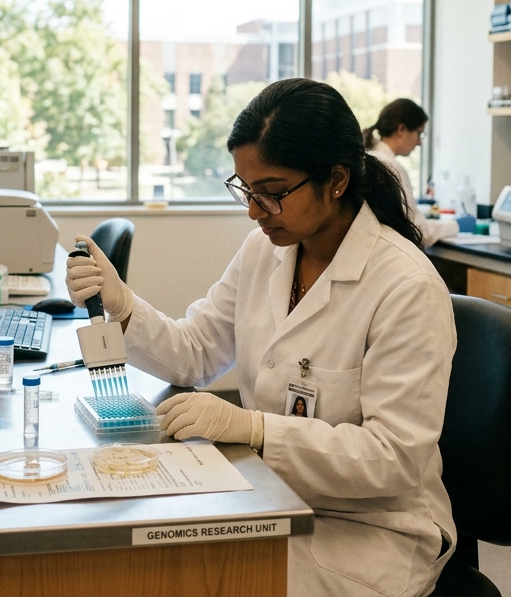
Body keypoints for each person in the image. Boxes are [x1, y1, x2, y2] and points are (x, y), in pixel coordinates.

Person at [68, 79, 457, 597]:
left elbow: (392, 461)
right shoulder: (264, 251)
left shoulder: (405, 286)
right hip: (272, 499)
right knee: (140, 553)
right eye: (246, 190)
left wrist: (254, 429)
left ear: (336, 180)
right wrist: (124, 307)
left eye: (272, 193)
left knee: (191, 580)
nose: (254, 210)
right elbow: (195, 352)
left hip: (369, 532)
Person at [364, 98, 458, 248]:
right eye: (419, 133)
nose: (419, 142)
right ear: (401, 130)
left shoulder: (369, 156)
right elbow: (420, 232)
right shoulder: (391, 167)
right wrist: (456, 225)